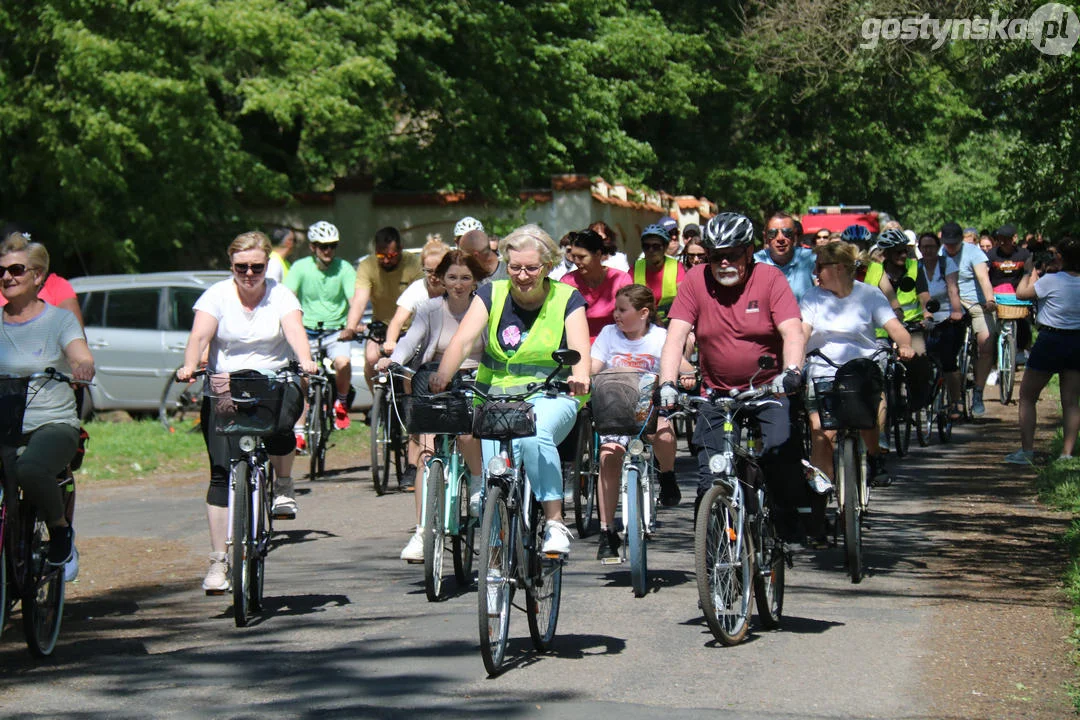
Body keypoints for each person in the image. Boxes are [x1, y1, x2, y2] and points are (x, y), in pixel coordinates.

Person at [430, 224, 590, 555]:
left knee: (535, 436)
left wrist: (581, 376)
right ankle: (496, 564)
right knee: (495, 478)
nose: (522, 275)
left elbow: (579, 348)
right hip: (496, 395)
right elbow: (463, 340)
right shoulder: (491, 293)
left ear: (547, 266)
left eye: (531, 268)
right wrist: (442, 374)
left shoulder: (567, 298)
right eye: (515, 267)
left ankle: (555, 522)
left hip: (552, 393)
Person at [176, 231, 317, 592]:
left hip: (272, 380)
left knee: (283, 422)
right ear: (231, 266)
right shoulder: (217, 296)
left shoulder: (280, 295)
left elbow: (295, 330)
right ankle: (218, 562)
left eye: (256, 266)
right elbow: (199, 337)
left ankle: (283, 484)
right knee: (221, 473)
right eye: (242, 267)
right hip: (226, 384)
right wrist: (190, 364)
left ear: (267, 265)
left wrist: (305, 360)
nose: (249, 274)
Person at [658, 213, 806, 532]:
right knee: (709, 476)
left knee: (780, 458)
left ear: (749, 252)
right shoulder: (696, 280)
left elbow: (792, 332)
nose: (724, 262)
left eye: (732, 254)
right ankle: (717, 557)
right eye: (716, 256)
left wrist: (792, 370)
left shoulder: (769, 279)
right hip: (718, 394)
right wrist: (667, 383)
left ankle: (781, 529)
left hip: (768, 390)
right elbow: (675, 337)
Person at [376, 250, 487, 561]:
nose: (459, 284)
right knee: (426, 451)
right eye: (452, 277)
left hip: (475, 379)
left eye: (466, 277)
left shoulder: (486, 307)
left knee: (466, 435)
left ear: (475, 280)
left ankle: (477, 483)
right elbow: (411, 339)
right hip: (436, 380)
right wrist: (393, 360)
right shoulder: (428, 308)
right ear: (441, 279)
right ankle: (423, 531)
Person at [0, 232, 94, 576]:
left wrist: (82, 363)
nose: (7, 277)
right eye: (2, 272)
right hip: (4, 421)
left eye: (16, 270)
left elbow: (78, 350)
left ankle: (59, 528)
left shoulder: (59, 320)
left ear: (38, 276)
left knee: (31, 469)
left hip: (51, 423)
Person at [801, 241, 915, 493]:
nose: (815, 273)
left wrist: (905, 345)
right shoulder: (812, 297)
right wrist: (794, 362)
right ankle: (822, 497)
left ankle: (874, 457)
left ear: (839, 268)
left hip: (861, 368)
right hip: (823, 369)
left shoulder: (869, 295)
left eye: (820, 267)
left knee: (869, 417)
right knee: (822, 434)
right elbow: (802, 334)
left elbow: (895, 328)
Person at [591, 285, 693, 559]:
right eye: (616, 309)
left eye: (623, 310)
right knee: (608, 458)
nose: (616, 315)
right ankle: (607, 531)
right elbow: (593, 366)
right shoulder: (608, 335)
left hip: (649, 406)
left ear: (644, 313)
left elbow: (682, 365)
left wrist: (691, 375)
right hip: (614, 408)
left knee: (664, 433)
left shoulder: (660, 337)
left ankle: (668, 475)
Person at [1007, 238, 1080, 464]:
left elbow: (1021, 294)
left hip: (1050, 339)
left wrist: (1029, 271)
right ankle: (1066, 454)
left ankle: (1027, 451)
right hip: (1077, 340)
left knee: (1028, 396)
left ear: (1061, 257)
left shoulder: (1051, 280)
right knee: (1071, 401)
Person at [285, 221, 358, 433]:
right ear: (313, 247)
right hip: (307, 330)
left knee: (343, 363)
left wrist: (353, 326)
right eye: (323, 246)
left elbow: (354, 300)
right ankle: (299, 430)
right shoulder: (300, 267)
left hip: (336, 331)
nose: (328, 251)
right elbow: (289, 297)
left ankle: (341, 402)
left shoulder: (344, 268)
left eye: (332, 246)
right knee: (304, 376)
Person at [343, 224, 423, 388]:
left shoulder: (413, 264)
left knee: (411, 369)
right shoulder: (368, 266)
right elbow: (359, 301)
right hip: (381, 325)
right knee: (371, 360)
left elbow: (423, 298)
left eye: (391, 255)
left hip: (408, 327)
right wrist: (350, 327)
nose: (386, 260)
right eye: (381, 255)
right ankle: (378, 403)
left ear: (400, 249)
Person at [939, 221, 997, 417]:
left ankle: (979, 392)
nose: (951, 247)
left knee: (986, 343)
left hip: (976, 302)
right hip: (950, 304)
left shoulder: (973, 252)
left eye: (954, 243)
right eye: (948, 243)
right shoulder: (940, 253)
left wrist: (989, 299)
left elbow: (983, 278)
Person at [920, 231, 964, 418]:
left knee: (948, 362)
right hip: (924, 318)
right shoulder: (916, 267)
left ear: (937, 247)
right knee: (921, 359)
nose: (928, 250)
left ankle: (956, 401)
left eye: (931, 246)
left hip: (946, 316)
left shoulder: (946, 264)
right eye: (924, 247)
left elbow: (953, 289)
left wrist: (956, 311)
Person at [865, 228, 932, 353]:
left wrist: (928, 317)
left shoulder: (914, 267)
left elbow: (924, 296)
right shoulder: (875, 270)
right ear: (886, 254)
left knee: (919, 356)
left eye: (905, 250)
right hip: (881, 330)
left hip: (911, 326)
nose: (904, 255)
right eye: (898, 252)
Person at [560, 228, 633, 342]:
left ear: (598, 254)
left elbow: (631, 317)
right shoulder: (567, 282)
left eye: (582, 257)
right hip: (579, 346)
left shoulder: (621, 279)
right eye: (574, 256)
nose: (576, 262)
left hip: (616, 345)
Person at [382, 237, 450, 358]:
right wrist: (390, 341)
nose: (433, 277)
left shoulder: (455, 289)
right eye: (429, 271)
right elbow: (397, 320)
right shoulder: (417, 289)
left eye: (438, 271)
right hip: (420, 349)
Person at [754, 212, 817, 303]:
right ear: (765, 237)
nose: (780, 238)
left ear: (795, 236)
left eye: (787, 233)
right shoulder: (755, 262)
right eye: (772, 233)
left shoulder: (811, 258)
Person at [633, 224, 685, 325]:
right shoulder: (635, 268)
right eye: (646, 246)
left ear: (665, 247)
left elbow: (683, 297)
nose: (650, 250)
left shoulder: (676, 266)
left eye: (656, 246)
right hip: (642, 325)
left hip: (669, 323)